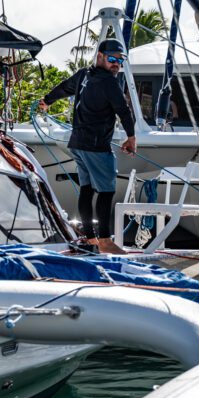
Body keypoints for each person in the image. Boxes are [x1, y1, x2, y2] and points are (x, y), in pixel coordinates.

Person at [39, 39, 136, 254]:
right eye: (112, 59)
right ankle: (104, 240)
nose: (116, 65)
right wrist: (131, 137)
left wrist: (47, 100)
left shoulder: (84, 74)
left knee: (87, 189)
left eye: (120, 61)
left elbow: (64, 88)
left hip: (78, 145)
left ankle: (90, 239)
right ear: (100, 56)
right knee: (106, 191)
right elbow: (124, 110)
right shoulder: (110, 82)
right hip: (96, 146)